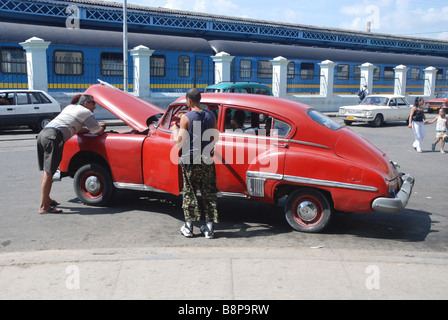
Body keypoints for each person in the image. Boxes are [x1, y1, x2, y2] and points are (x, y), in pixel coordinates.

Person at [37, 94, 106, 214]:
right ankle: (44, 207)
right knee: (49, 173)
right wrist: (102, 126)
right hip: (54, 137)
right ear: (86, 103)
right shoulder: (85, 111)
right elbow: (98, 132)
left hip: (43, 134)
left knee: (47, 171)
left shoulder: (69, 108)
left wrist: (90, 128)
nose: (95, 107)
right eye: (93, 104)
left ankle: (47, 199)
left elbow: (76, 129)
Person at [170, 88, 219, 239]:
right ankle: (209, 229)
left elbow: (179, 142)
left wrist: (174, 129)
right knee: (208, 192)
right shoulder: (211, 115)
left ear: (189, 101)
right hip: (207, 159)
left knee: (190, 193)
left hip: (190, 160)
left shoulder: (186, 118)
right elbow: (215, 136)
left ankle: (189, 227)